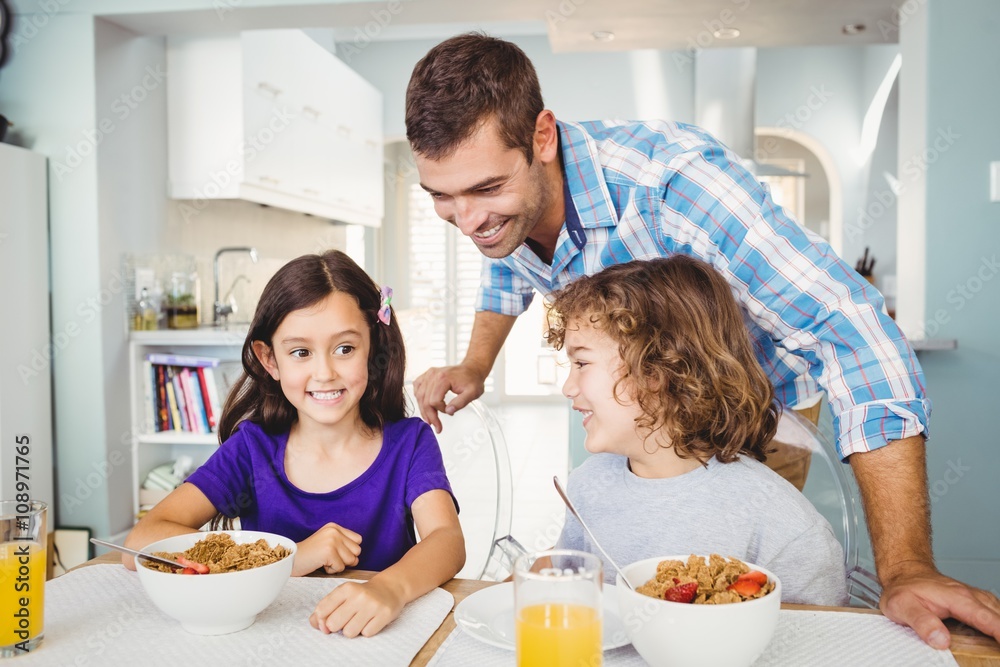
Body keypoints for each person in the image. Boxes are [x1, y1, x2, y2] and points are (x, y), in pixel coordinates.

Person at [405, 33, 1000, 646]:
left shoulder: (674, 186)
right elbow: (503, 259)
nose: (469, 221)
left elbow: (855, 335)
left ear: (542, 138)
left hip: (761, 418)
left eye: (485, 190)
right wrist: (476, 365)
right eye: (442, 198)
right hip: (644, 429)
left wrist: (905, 567)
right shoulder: (505, 210)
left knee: (725, 602)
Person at [123, 250, 465, 638]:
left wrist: (390, 587)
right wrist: (287, 557)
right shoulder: (252, 449)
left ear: (373, 348)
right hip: (262, 640)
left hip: (378, 641)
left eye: (345, 349)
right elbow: (140, 543)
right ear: (270, 360)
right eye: (300, 352)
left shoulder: (410, 443)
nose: (324, 373)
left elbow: (447, 541)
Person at [548, 256, 847, 605]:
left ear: (656, 371)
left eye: (582, 363)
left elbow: (823, 640)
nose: (568, 387)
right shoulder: (586, 486)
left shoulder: (785, 529)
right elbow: (562, 584)